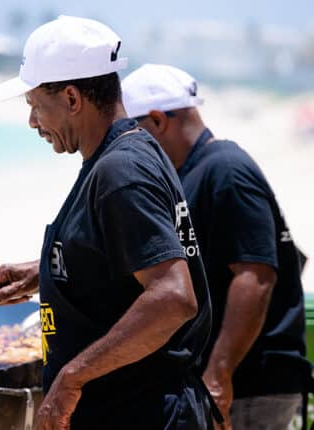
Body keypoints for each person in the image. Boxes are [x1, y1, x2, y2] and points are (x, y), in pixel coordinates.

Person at [0, 16, 216, 429]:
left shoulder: (121, 171)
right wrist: (49, 269)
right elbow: (125, 252)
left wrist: (72, 378)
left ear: (72, 98)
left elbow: (174, 297)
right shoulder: (126, 153)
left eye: (35, 106)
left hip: (140, 414)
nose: (33, 122)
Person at [121, 64, 310, 430]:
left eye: (133, 132)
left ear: (158, 121)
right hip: (234, 381)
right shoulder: (191, 173)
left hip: (250, 383)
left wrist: (218, 374)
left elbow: (255, 276)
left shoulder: (225, 169)